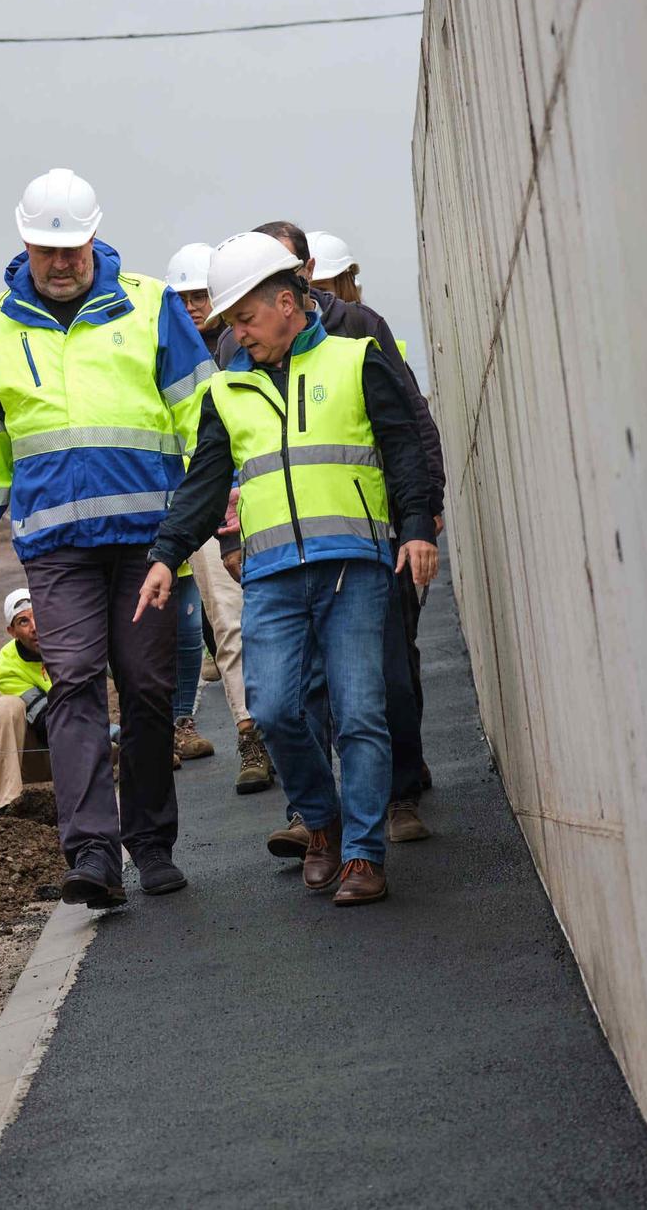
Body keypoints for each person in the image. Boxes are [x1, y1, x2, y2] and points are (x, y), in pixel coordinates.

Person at [0, 168, 213, 907]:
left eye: (73, 248)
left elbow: (203, 412)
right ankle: (92, 852)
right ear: (24, 241)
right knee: (75, 683)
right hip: (55, 547)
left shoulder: (150, 305)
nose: (61, 262)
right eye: (46, 248)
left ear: (94, 237)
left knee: (148, 688)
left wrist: (221, 495)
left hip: (150, 540)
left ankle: (151, 841)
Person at [137, 231, 438, 905]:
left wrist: (417, 526)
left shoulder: (357, 359)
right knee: (273, 709)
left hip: (355, 567)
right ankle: (321, 819)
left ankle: (362, 853)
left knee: (360, 710)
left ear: (285, 302)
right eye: (231, 323)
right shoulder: (227, 392)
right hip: (271, 573)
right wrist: (166, 553)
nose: (237, 335)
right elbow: (204, 483)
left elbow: (405, 448)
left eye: (244, 319)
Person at [217, 222, 447, 852]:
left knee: (378, 690)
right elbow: (230, 459)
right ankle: (315, 816)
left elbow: (408, 428)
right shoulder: (236, 355)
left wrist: (421, 517)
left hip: (368, 546)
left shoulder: (361, 333)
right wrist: (226, 542)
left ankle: (393, 802)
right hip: (281, 559)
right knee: (295, 699)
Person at [164, 241, 274, 794]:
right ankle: (251, 736)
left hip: (269, 494)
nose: (191, 307)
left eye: (199, 295)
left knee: (281, 621)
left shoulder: (248, 343)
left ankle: (290, 730)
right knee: (227, 624)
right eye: (180, 298)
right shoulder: (163, 353)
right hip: (209, 505)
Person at [0, 588, 53, 811]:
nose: (35, 628)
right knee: (8, 705)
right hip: (37, 756)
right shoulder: (6, 666)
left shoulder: (73, 643)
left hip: (88, 748)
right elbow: (47, 719)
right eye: (24, 622)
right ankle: (9, 804)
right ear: (12, 631)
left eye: (39, 616)